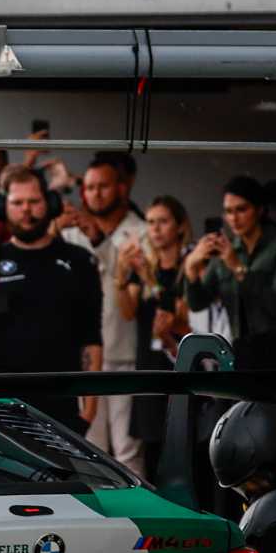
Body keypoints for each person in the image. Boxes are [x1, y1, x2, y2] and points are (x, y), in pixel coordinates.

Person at [0, 167, 104, 416]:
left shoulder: (80, 261)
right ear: (2, 207)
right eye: (17, 203)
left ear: (50, 203)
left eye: (34, 201)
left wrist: (89, 412)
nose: (26, 210)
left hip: (59, 402)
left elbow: (91, 340)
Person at [60, 154, 148, 473]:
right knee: (88, 450)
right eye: (89, 187)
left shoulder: (142, 230)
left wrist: (98, 239)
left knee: (127, 451)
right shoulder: (71, 233)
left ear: (122, 188)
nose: (95, 194)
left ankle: (138, 506)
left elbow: (134, 281)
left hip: (125, 355)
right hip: (85, 357)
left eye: (103, 186)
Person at [185, 175, 276, 370]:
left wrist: (238, 268)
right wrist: (191, 269)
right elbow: (198, 303)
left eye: (241, 209)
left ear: (259, 210)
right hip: (240, 349)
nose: (234, 218)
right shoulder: (227, 249)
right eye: (228, 211)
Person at [118, 193, 191, 476]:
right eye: (150, 222)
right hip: (149, 365)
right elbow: (127, 312)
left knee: (186, 447)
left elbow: (185, 316)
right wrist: (121, 275)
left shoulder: (190, 265)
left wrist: (149, 280)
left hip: (181, 365)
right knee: (152, 453)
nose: (156, 229)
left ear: (180, 226)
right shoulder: (144, 267)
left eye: (163, 222)